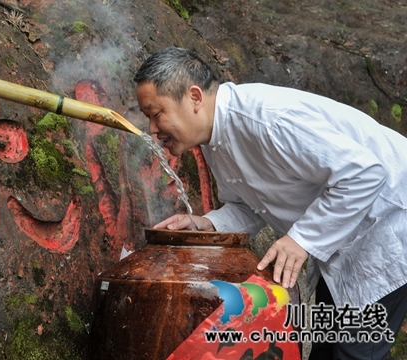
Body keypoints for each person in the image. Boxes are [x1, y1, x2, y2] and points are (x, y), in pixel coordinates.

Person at [134, 47, 407, 359]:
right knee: (328, 350)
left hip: (390, 222)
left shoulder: (268, 120)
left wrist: (300, 240)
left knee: (353, 353)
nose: (153, 131)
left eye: (157, 115)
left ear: (194, 97)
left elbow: (365, 174)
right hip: (344, 243)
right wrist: (207, 224)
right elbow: (249, 205)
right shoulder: (214, 136)